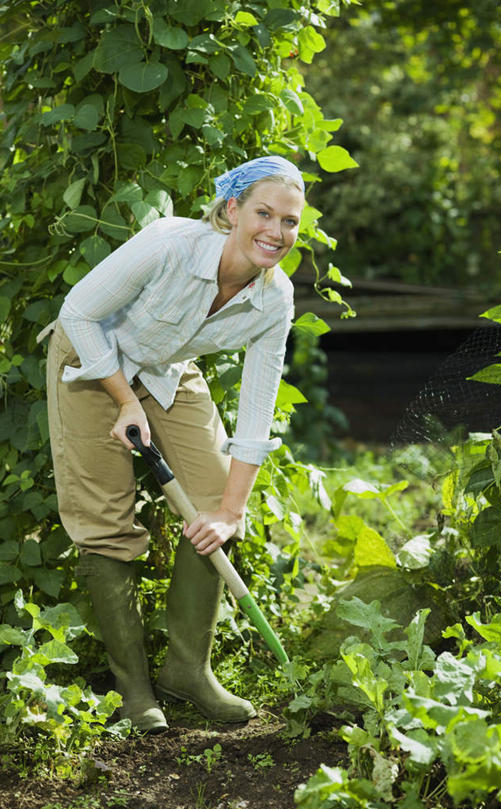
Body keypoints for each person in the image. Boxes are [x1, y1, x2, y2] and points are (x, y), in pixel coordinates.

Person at [43, 155, 305, 732]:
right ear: (233, 210)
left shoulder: (274, 298)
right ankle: (134, 686)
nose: (276, 232)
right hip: (87, 361)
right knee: (106, 517)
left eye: (290, 221)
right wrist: (123, 398)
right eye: (265, 213)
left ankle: (187, 671)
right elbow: (78, 313)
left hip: (162, 366)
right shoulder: (169, 244)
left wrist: (231, 511)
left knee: (215, 498)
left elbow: (259, 407)